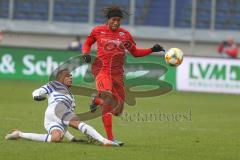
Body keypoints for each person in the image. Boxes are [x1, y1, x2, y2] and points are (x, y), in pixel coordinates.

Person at [81, 6, 165, 145]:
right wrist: (85, 54)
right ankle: (110, 139)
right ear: (108, 20)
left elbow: (136, 53)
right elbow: (87, 43)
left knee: (118, 111)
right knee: (108, 100)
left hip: (118, 75)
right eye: (114, 19)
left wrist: (152, 49)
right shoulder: (98, 30)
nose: (116, 22)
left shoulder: (125, 35)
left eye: (119, 20)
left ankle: (96, 100)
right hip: (102, 71)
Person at [5, 69, 119, 146]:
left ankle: (19, 134)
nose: (70, 78)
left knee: (56, 138)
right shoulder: (55, 84)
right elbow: (38, 91)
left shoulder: (71, 96)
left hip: (53, 116)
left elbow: (66, 120)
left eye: (71, 76)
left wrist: (71, 138)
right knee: (79, 123)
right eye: (67, 76)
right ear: (60, 78)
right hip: (56, 109)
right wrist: (36, 96)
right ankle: (104, 141)